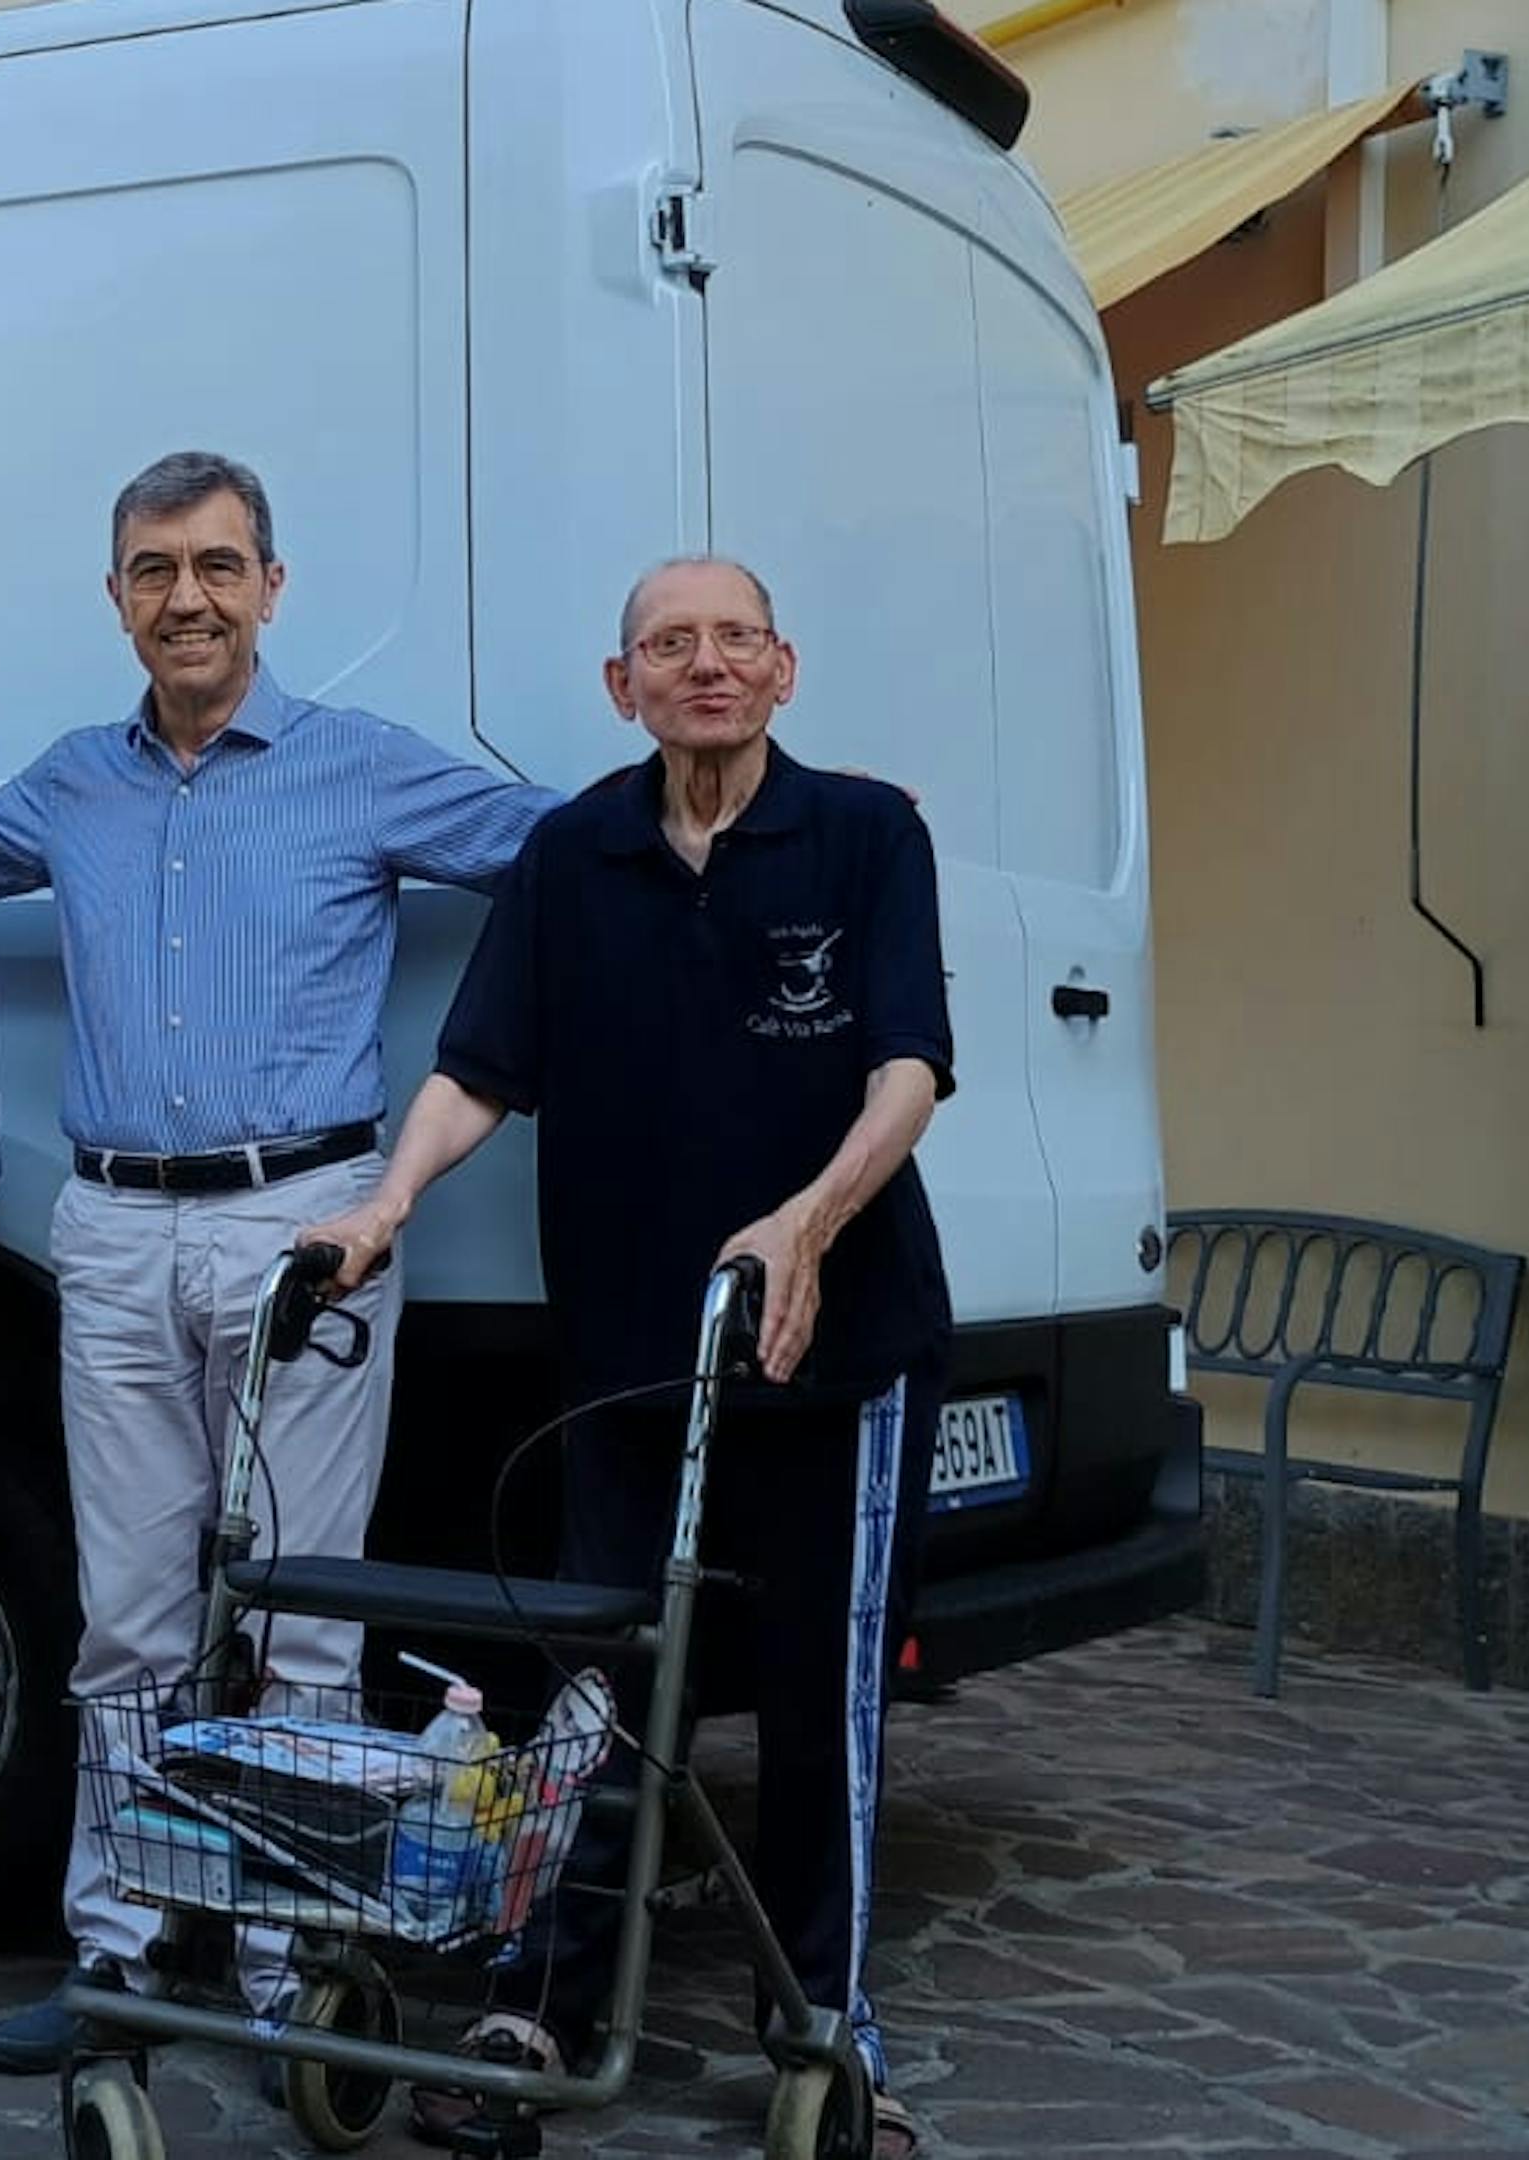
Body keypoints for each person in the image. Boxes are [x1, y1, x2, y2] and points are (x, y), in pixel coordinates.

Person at [303, 557, 949, 2160]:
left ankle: (824, 2020)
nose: (705, 667)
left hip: (834, 1349)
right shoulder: (572, 849)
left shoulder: (868, 833)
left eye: (735, 641)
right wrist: (385, 1203)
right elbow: (479, 1070)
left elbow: (910, 1069)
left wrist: (803, 1226)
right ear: (624, 685)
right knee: (588, 1693)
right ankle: (545, 2001)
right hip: (621, 1351)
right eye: (672, 645)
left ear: (785, 668)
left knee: (817, 1708)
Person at [0, 450, 560, 2072]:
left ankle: (292, 1979)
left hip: (303, 1228)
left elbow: (569, 852)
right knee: (130, 1621)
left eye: (218, 566)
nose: (188, 598)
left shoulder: (362, 769)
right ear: (116, 599)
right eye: (154, 570)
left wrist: (802, 821)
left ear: (271, 587)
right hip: (106, 1226)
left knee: (300, 1619)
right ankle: (121, 1951)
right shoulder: (69, 786)